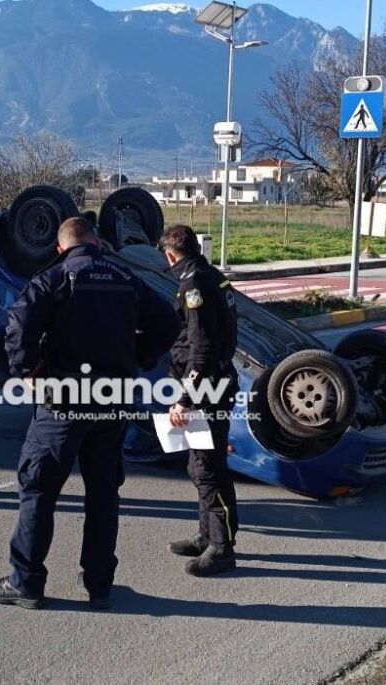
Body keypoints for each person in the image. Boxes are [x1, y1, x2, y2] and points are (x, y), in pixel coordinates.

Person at [0, 216, 179, 610]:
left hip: (64, 402)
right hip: (114, 400)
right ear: (98, 244)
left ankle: (26, 582)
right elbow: (169, 321)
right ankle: (100, 585)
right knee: (103, 492)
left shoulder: (53, 278)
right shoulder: (125, 278)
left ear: (61, 248)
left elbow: (17, 327)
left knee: (39, 489)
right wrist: (139, 357)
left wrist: (29, 372)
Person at [159, 224, 239, 576]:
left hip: (207, 390)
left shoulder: (193, 285)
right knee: (200, 466)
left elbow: (201, 348)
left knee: (209, 469)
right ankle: (207, 535)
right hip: (215, 383)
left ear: (170, 254)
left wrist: (185, 399)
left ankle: (221, 548)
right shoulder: (211, 275)